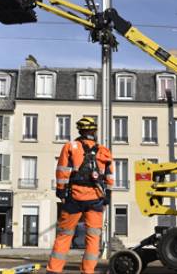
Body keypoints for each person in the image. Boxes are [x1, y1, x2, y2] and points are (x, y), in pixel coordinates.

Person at [47, 117, 114, 274]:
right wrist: (108, 196)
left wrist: (61, 191)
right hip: (96, 199)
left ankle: (54, 270)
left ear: (80, 131)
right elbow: (110, 176)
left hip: (75, 198)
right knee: (93, 237)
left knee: (64, 235)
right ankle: (88, 271)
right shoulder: (104, 150)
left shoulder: (71, 146)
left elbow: (62, 170)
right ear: (94, 131)